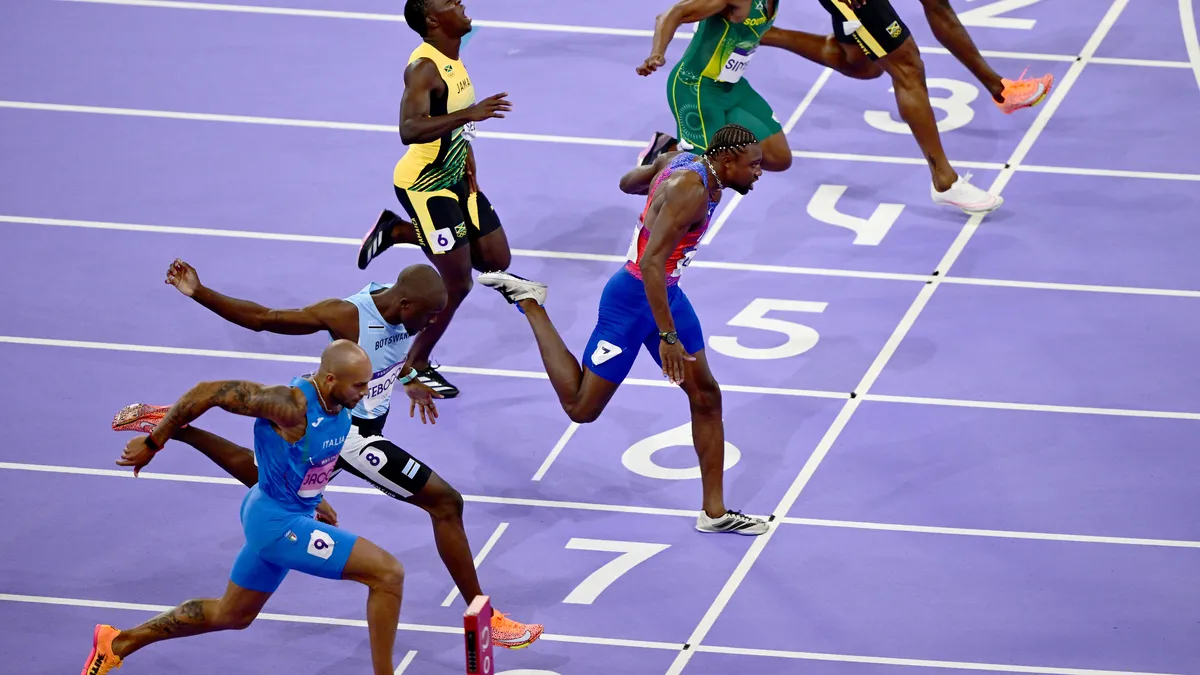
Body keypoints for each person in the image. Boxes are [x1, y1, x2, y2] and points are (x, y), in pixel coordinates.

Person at [110, 260, 545, 650]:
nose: (433, 325)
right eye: (430, 317)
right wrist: (200, 292)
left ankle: (181, 426)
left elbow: (394, 356)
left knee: (272, 478)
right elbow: (264, 319)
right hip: (350, 429)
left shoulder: (406, 312)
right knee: (446, 502)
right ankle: (486, 616)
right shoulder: (347, 315)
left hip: (344, 421)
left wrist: (410, 376)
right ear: (406, 304)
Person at [478, 124, 770, 536]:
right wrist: (668, 337)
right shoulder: (692, 189)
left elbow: (627, 183)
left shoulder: (680, 161)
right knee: (582, 409)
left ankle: (715, 512)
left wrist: (655, 176)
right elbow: (651, 262)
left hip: (666, 294)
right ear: (727, 160)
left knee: (706, 395)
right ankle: (531, 304)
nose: (760, 172)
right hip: (633, 299)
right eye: (754, 165)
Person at [83, 340, 409, 675]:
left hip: (278, 510)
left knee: (232, 615)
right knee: (387, 574)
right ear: (329, 380)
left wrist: (312, 496)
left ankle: (118, 642)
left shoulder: (336, 403)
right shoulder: (290, 405)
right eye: (358, 385)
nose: (366, 392)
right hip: (279, 526)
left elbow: (290, 460)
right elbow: (207, 392)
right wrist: (156, 442)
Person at [354, 0, 515, 399]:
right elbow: (409, 129)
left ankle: (399, 231)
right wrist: (471, 115)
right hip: (425, 185)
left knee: (495, 260)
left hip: (457, 174)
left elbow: (455, 117)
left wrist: (469, 156)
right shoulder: (423, 68)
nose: (460, 3)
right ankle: (416, 363)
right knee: (457, 284)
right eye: (450, 2)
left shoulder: (453, 56)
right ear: (432, 19)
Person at [636, 0, 794, 173]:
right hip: (696, 90)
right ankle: (654, 175)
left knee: (777, 158)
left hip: (731, 87)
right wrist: (657, 53)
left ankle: (667, 149)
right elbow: (675, 12)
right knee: (706, 177)